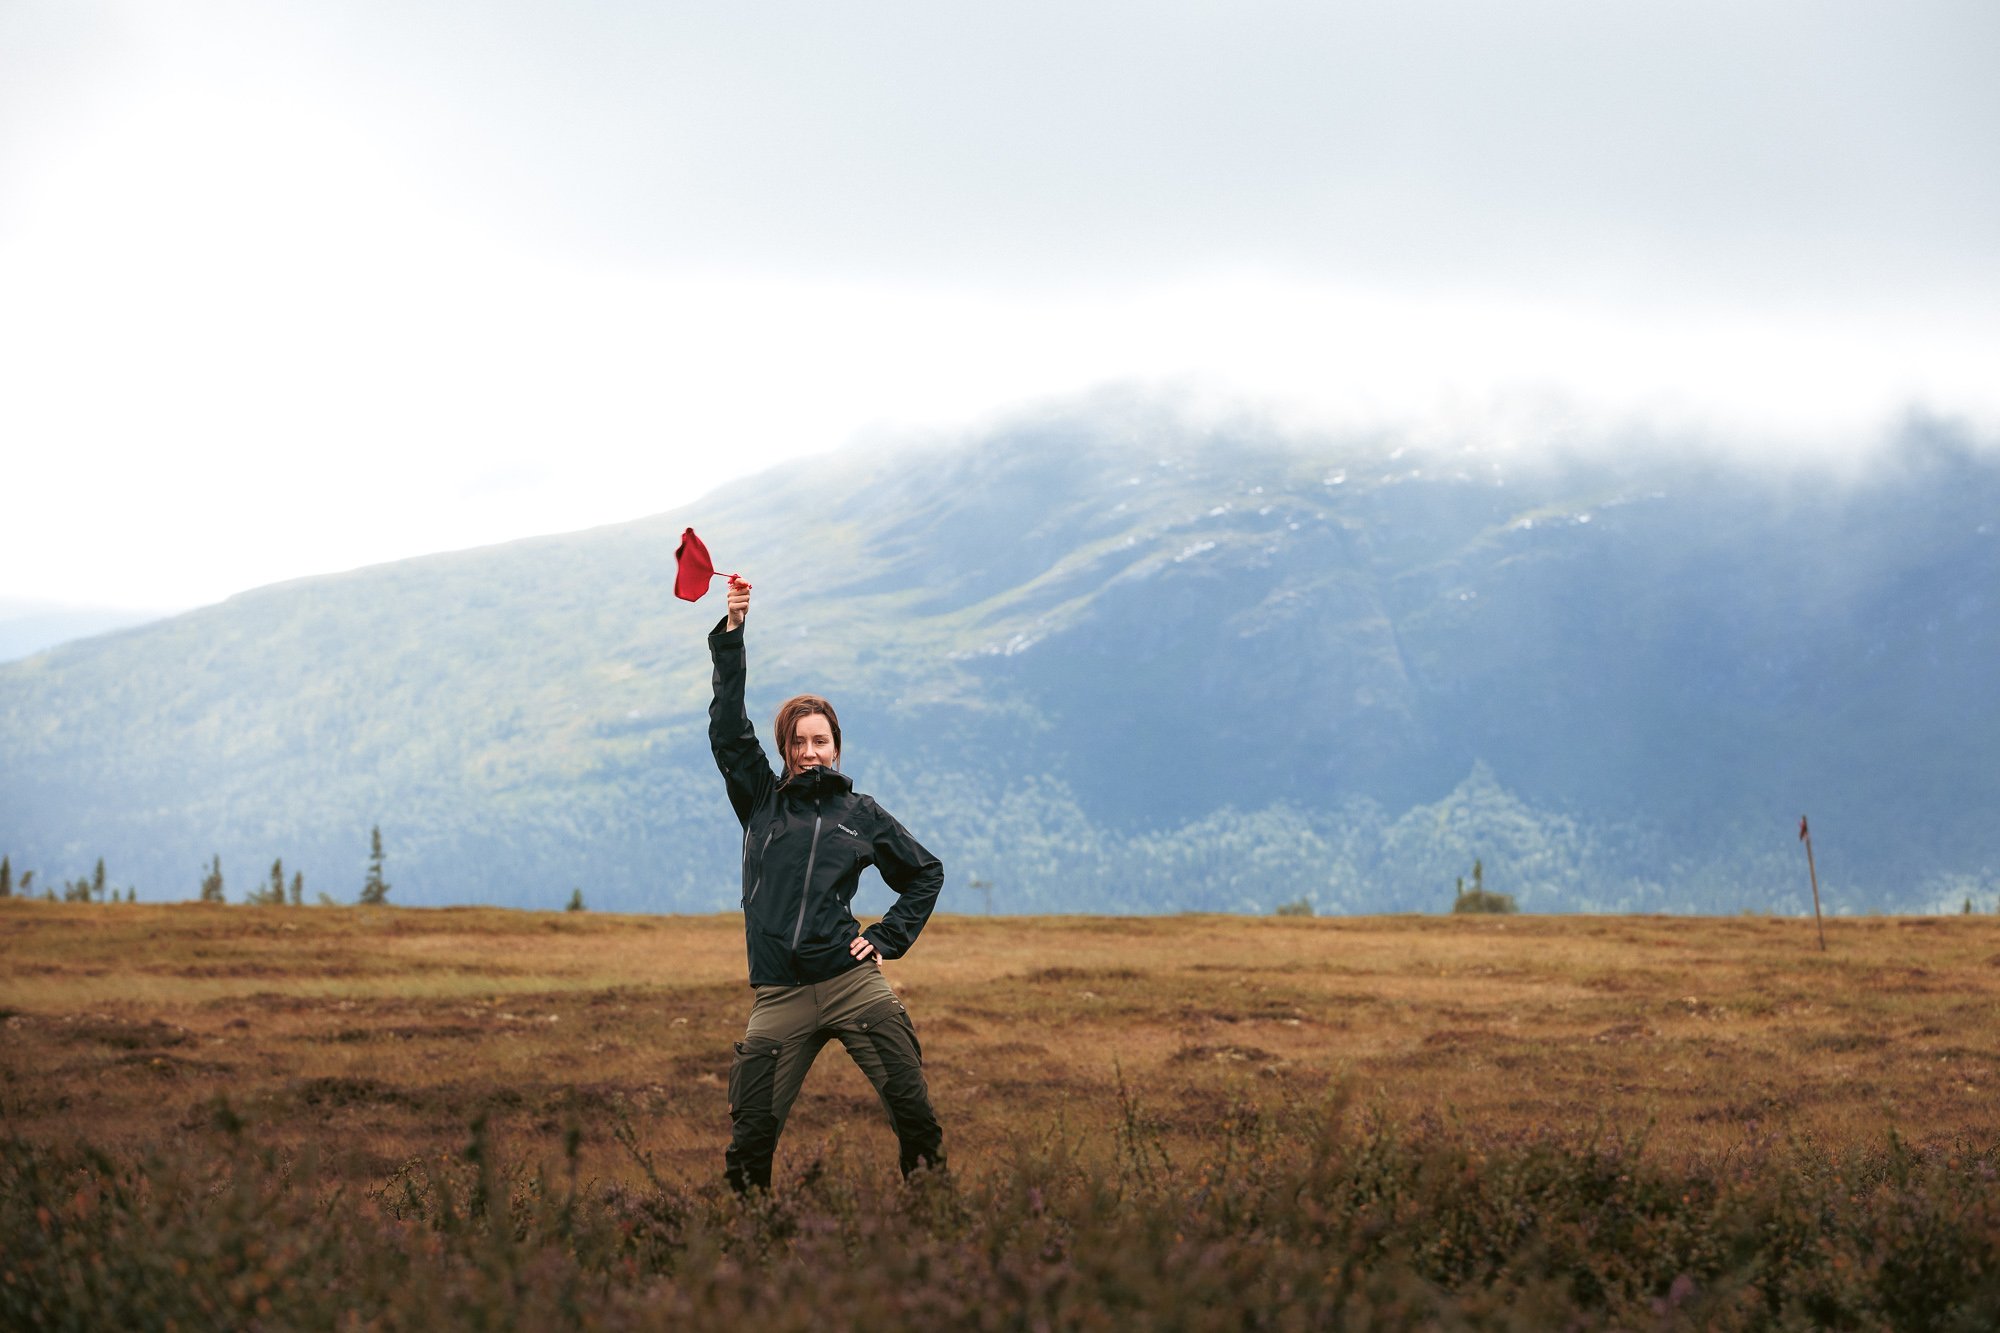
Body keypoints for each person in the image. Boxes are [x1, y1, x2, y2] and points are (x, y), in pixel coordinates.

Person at [707, 574, 946, 1193]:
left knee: (915, 1112)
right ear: (785, 749)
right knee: (750, 1138)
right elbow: (729, 729)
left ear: (836, 748)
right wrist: (732, 633)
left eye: (821, 741)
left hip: (850, 984)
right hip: (779, 997)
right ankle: (750, 1253)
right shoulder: (761, 801)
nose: (811, 751)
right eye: (799, 742)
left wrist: (888, 937)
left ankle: (936, 1229)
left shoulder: (860, 814)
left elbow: (925, 873)